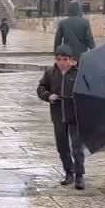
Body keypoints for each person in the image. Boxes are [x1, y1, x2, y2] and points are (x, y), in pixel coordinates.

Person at [37, 45, 84, 190]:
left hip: (75, 115)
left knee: (76, 146)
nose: (62, 62)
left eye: (65, 59)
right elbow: (41, 88)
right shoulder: (50, 73)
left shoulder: (79, 74)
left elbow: (88, 90)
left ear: (71, 60)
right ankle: (68, 172)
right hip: (58, 115)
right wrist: (48, 96)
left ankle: (79, 175)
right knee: (62, 145)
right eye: (59, 59)